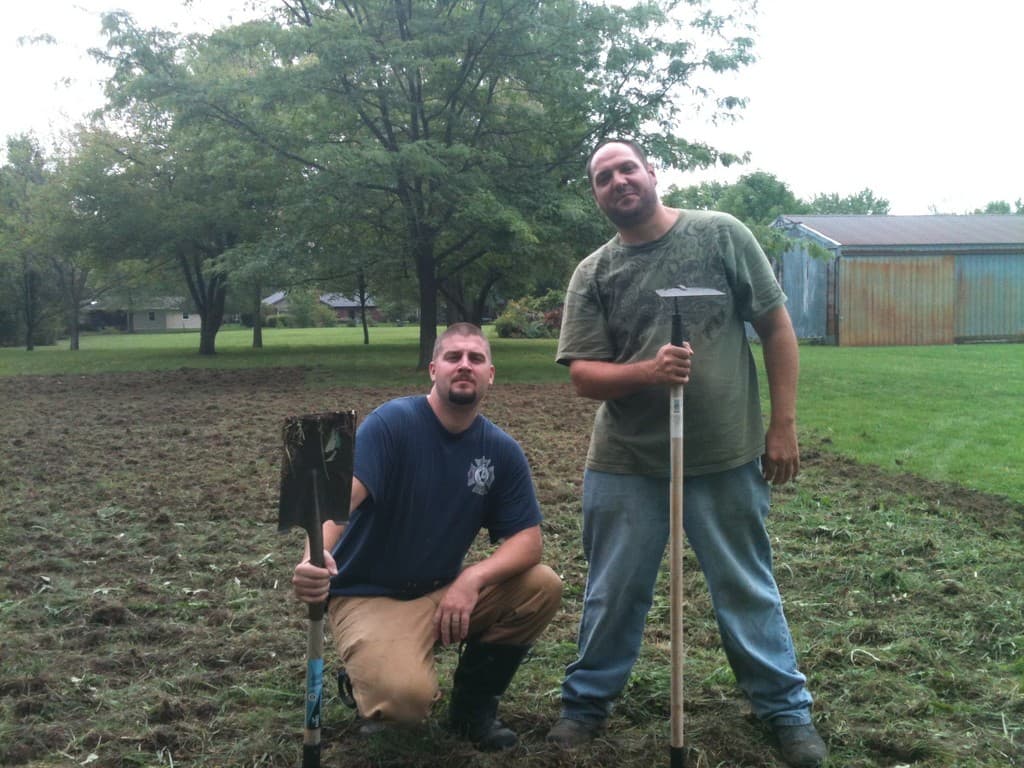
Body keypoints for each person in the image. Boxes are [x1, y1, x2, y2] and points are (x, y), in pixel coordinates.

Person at [545, 140, 826, 768]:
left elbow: (776, 327)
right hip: (626, 461)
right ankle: (586, 705)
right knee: (613, 590)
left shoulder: (721, 235)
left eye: (626, 169)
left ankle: (785, 709)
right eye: (601, 177)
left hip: (725, 453)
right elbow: (584, 375)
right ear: (595, 195)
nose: (617, 182)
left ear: (651, 173)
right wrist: (648, 371)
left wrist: (782, 425)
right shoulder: (594, 272)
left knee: (744, 584)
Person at [292, 322, 562, 751]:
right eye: (454, 357)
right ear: (433, 369)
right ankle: (370, 675)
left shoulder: (501, 450)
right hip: (369, 594)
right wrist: (313, 557)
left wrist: (471, 580)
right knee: (404, 708)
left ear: (491, 374)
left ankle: (472, 711)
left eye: (475, 358)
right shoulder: (392, 423)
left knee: (541, 586)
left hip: (442, 591)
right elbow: (338, 503)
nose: (464, 366)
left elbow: (528, 541)